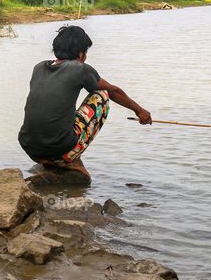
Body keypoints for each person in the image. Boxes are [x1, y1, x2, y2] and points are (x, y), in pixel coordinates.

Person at [18, 25, 151, 180]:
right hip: (62, 151)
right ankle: (69, 158)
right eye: (86, 52)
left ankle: (50, 159)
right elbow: (113, 91)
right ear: (81, 54)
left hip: (31, 150)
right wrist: (139, 110)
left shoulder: (39, 68)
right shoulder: (80, 69)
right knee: (102, 94)